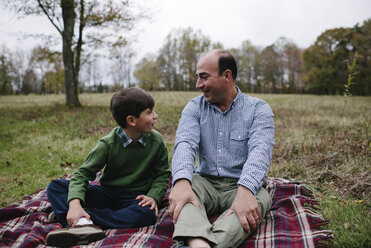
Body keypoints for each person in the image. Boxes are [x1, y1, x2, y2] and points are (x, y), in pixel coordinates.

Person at [169, 50, 275, 248]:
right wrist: (182, 181)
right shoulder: (194, 107)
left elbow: (260, 151)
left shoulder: (259, 109)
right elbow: (185, 144)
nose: (197, 84)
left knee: (259, 201)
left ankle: (196, 243)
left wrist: (246, 190)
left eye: (204, 77)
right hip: (204, 181)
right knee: (183, 194)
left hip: (240, 184)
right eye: (197, 77)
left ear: (227, 76)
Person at [46, 87, 171, 247]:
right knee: (56, 187)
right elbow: (82, 175)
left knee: (147, 215)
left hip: (136, 197)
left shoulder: (157, 141)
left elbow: (163, 175)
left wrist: (153, 196)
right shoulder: (108, 144)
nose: (155, 116)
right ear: (131, 120)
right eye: (149, 112)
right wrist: (75, 204)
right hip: (107, 193)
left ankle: (83, 220)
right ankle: (79, 217)